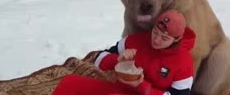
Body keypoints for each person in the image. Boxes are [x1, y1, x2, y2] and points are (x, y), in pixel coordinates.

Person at [52, 10, 196, 95]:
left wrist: (142, 86)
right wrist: (117, 61)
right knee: (69, 82)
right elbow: (98, 58)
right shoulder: (136, 41)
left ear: (177, 39)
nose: (156, 40)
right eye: (155, 32)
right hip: (121, 89)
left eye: (164, 38)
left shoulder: (184, 62)